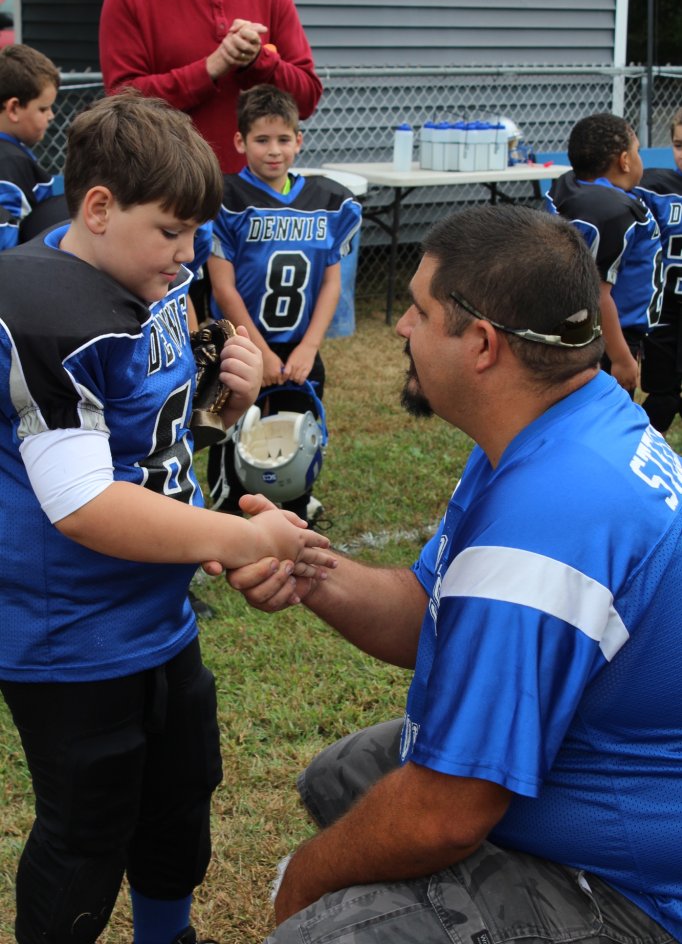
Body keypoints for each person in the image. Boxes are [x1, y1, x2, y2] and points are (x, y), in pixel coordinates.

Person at [226, 204, 682, 944]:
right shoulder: (563, 417)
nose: (401, 328)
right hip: (599, 779)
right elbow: (426, 608)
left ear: (481, 343)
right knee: (343, 777)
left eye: (418, 309)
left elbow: (448, 812)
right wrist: (309, 570)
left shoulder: (551, 516)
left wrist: (303, 883)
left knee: (319, 931)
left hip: (639, 893)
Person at [0, 91, 334, 944]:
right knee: (86, 834)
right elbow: (81, 501)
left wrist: (229, 399)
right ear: (101, 209)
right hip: (70, 632)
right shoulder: (46, 306)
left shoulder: (149, 278)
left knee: (179, 802)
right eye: (173, 233)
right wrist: (241, 537)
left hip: (157, 614)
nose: (188, 255)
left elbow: (155, 441)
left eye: (195, 236)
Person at [206, 84, 362, 520]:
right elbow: (224, 288)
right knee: (233, 427)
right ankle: (230, 505)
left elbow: (332, 283)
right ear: (240, 142)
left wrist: (309, 347)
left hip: (297, 341)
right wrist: (258, 349)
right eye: (261, 139)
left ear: (299, 140)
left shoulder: (326, 201)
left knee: (298, 429)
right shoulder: (228, 199)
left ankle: (293, 500)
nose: (274, 150)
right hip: (241, 341)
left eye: (283, 139)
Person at [98, 0, 323, 175]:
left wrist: (258, 61)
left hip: (253, 198)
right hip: (165, 188)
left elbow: (306, 100)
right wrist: (209, 69)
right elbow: (123, 105)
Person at [546, 112, 662, 394]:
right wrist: (622, 357)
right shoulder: (611, 212)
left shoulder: (570, 186)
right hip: (606, 340)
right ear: (624, 160)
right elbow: (597, 292)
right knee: (603, 415)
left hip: (574, 332)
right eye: (636, 151)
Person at [636, 107, 682, 434]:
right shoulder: (653, 187)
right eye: (679, 145)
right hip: (664, 310)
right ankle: (644, 460)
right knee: (662, 397)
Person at [0, 42, 63, 249]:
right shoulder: (10, 164)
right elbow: (5, 238)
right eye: (43, 109)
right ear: (14, 108)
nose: (51, 116)